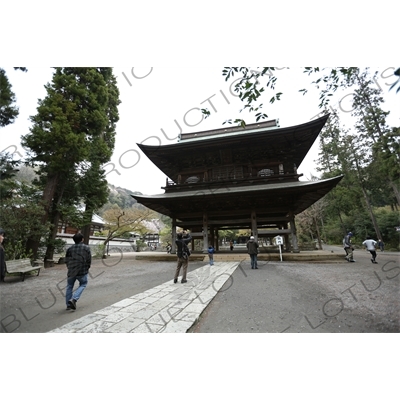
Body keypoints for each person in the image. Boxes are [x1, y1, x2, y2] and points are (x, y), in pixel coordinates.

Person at [65, 232, 91, 310]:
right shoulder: (86, 248)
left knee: (69, 286)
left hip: (71, 270)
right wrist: (87, 268)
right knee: (83, 284)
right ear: (82, 239)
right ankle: (74, 299)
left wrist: (69, 267)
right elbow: (89, 260)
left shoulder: (70, 249)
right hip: (82, 270)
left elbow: (66, 260)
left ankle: (68, 305)